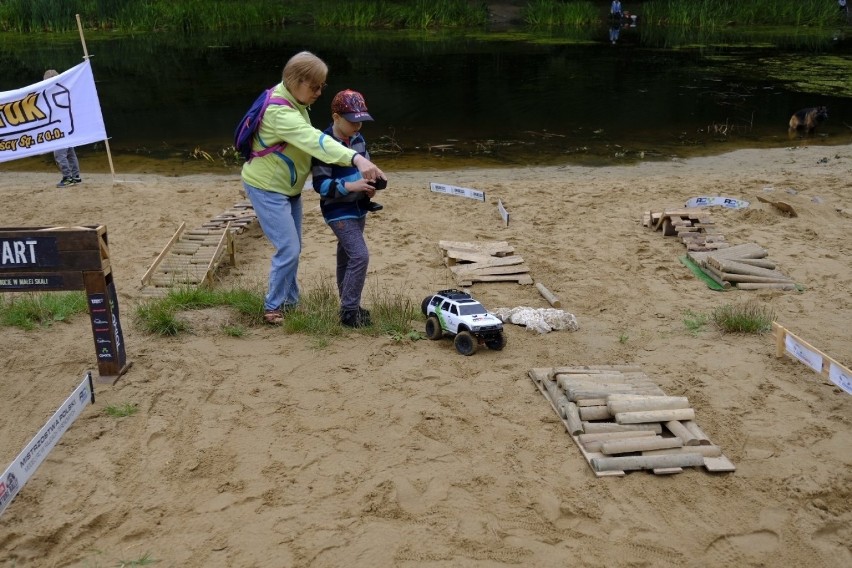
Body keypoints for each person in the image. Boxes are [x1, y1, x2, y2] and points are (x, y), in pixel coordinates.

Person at [241, 51, 385, 325]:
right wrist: (355, 157)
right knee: (289, 248)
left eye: (322, 86)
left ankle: (291, 301)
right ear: (295, 81)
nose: (319, 92)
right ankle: (273, 306)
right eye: (314, 86)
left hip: (288, 188)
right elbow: (314, 140)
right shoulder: (280, 112)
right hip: (268, 187)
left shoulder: (293, 99)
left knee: (293, 247)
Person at [311, 90, 382, 328]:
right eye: (352, 121)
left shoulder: (359, 139)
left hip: (359, 207)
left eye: (361, 120)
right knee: (360, 256)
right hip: (337, 210)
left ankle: (347, 304)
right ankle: (349, 311)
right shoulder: (323, 144)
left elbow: (366, 168)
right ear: (336, 117)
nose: (357, 126)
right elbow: (320, 186)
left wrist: (370, 186)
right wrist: (352, 185)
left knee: (347, 256)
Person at [43, 69, 82, 188]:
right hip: (67, 126)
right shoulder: (65, 89)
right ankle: (75, 176)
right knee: (70, 153)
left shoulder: (55, 93)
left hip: (60, 129)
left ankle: (67, 177)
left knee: (59, 155)